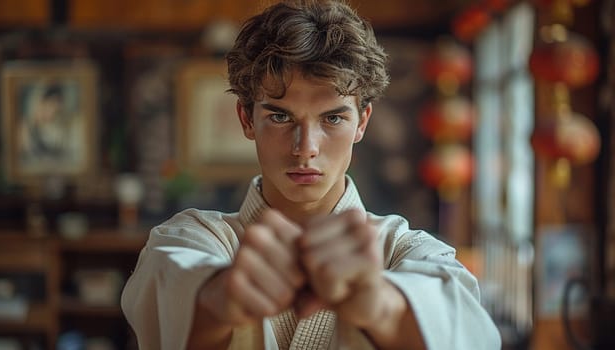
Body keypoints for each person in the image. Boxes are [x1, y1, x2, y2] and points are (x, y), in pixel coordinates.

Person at [121, 1, 502, 349]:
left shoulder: (407, 252)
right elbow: (168, 284)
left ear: (361, 123)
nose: (306, 147)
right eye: (280, 116)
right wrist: (223, 298)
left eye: (333, 118)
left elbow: (469, 330)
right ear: (246, 118)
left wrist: (381, 306)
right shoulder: (196, 242)